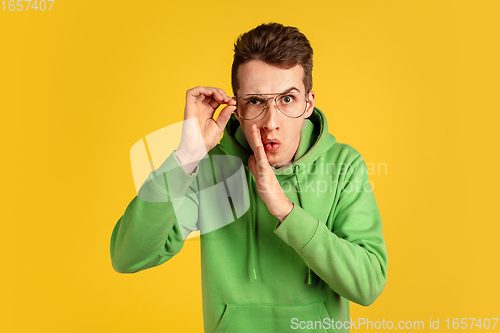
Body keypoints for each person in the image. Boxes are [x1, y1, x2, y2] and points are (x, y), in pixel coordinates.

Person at [110, 22, 388, 333]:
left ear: (308, 104)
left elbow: (368, 285)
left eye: (287, 100)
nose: (271, 123)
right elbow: (128, 256)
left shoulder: (343, 165)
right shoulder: (210, 168)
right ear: (236, 108)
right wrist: (186, 157)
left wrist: (285, 210)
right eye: (255, 101)